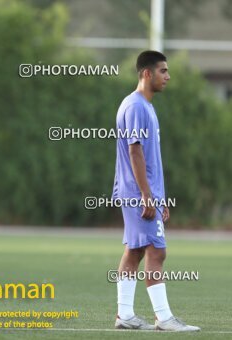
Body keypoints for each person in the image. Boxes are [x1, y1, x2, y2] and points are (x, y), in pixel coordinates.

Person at [112, 50, 199, 332]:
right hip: (138, 193)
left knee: (135, 250)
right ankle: (164, 318)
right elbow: (134, 151)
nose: (168, 76)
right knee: (157, 252)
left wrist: (158, 197)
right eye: (163, 71)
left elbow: (147, 157)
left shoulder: (145, 106)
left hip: (142, 192)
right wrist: (147, 196)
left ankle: (125, 316)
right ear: (147, 73)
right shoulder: (136, 106)